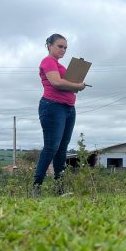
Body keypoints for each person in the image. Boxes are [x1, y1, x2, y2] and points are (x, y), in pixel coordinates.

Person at [32, 34, 86, 196]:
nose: (63, 50)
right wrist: (78, 85)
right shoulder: (47, 61)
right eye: (60, 46)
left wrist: (77, 77)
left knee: (62, 149)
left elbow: (65, 82)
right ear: (49, 45)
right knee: (51, 147)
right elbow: (56, 82)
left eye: (65, 48)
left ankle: (59, 188)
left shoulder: (59, 65)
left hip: (69, 108)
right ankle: (37, 186)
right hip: (53, 106)